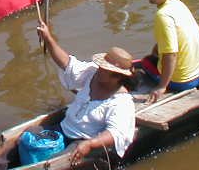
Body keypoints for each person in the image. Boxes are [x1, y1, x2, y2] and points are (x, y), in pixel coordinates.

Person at [36, 21, 136, 164]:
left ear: (117, 77)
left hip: (80, 141)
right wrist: (48, 38)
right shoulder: (92, 73)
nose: (99, 69)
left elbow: (116, 133)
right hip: (63, 128)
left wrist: (90, 144)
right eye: (101, 66)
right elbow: (67, 64)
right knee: (27, 136)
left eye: (105, 69)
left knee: (49, 163)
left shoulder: (121, 103)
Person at [141, 0, 199, 103]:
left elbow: (170, 55)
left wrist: (162, 86)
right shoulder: (178, 4)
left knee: (145, 62)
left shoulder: (163, 15)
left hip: (185, 81)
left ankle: (165, 82)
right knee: (156, 53)